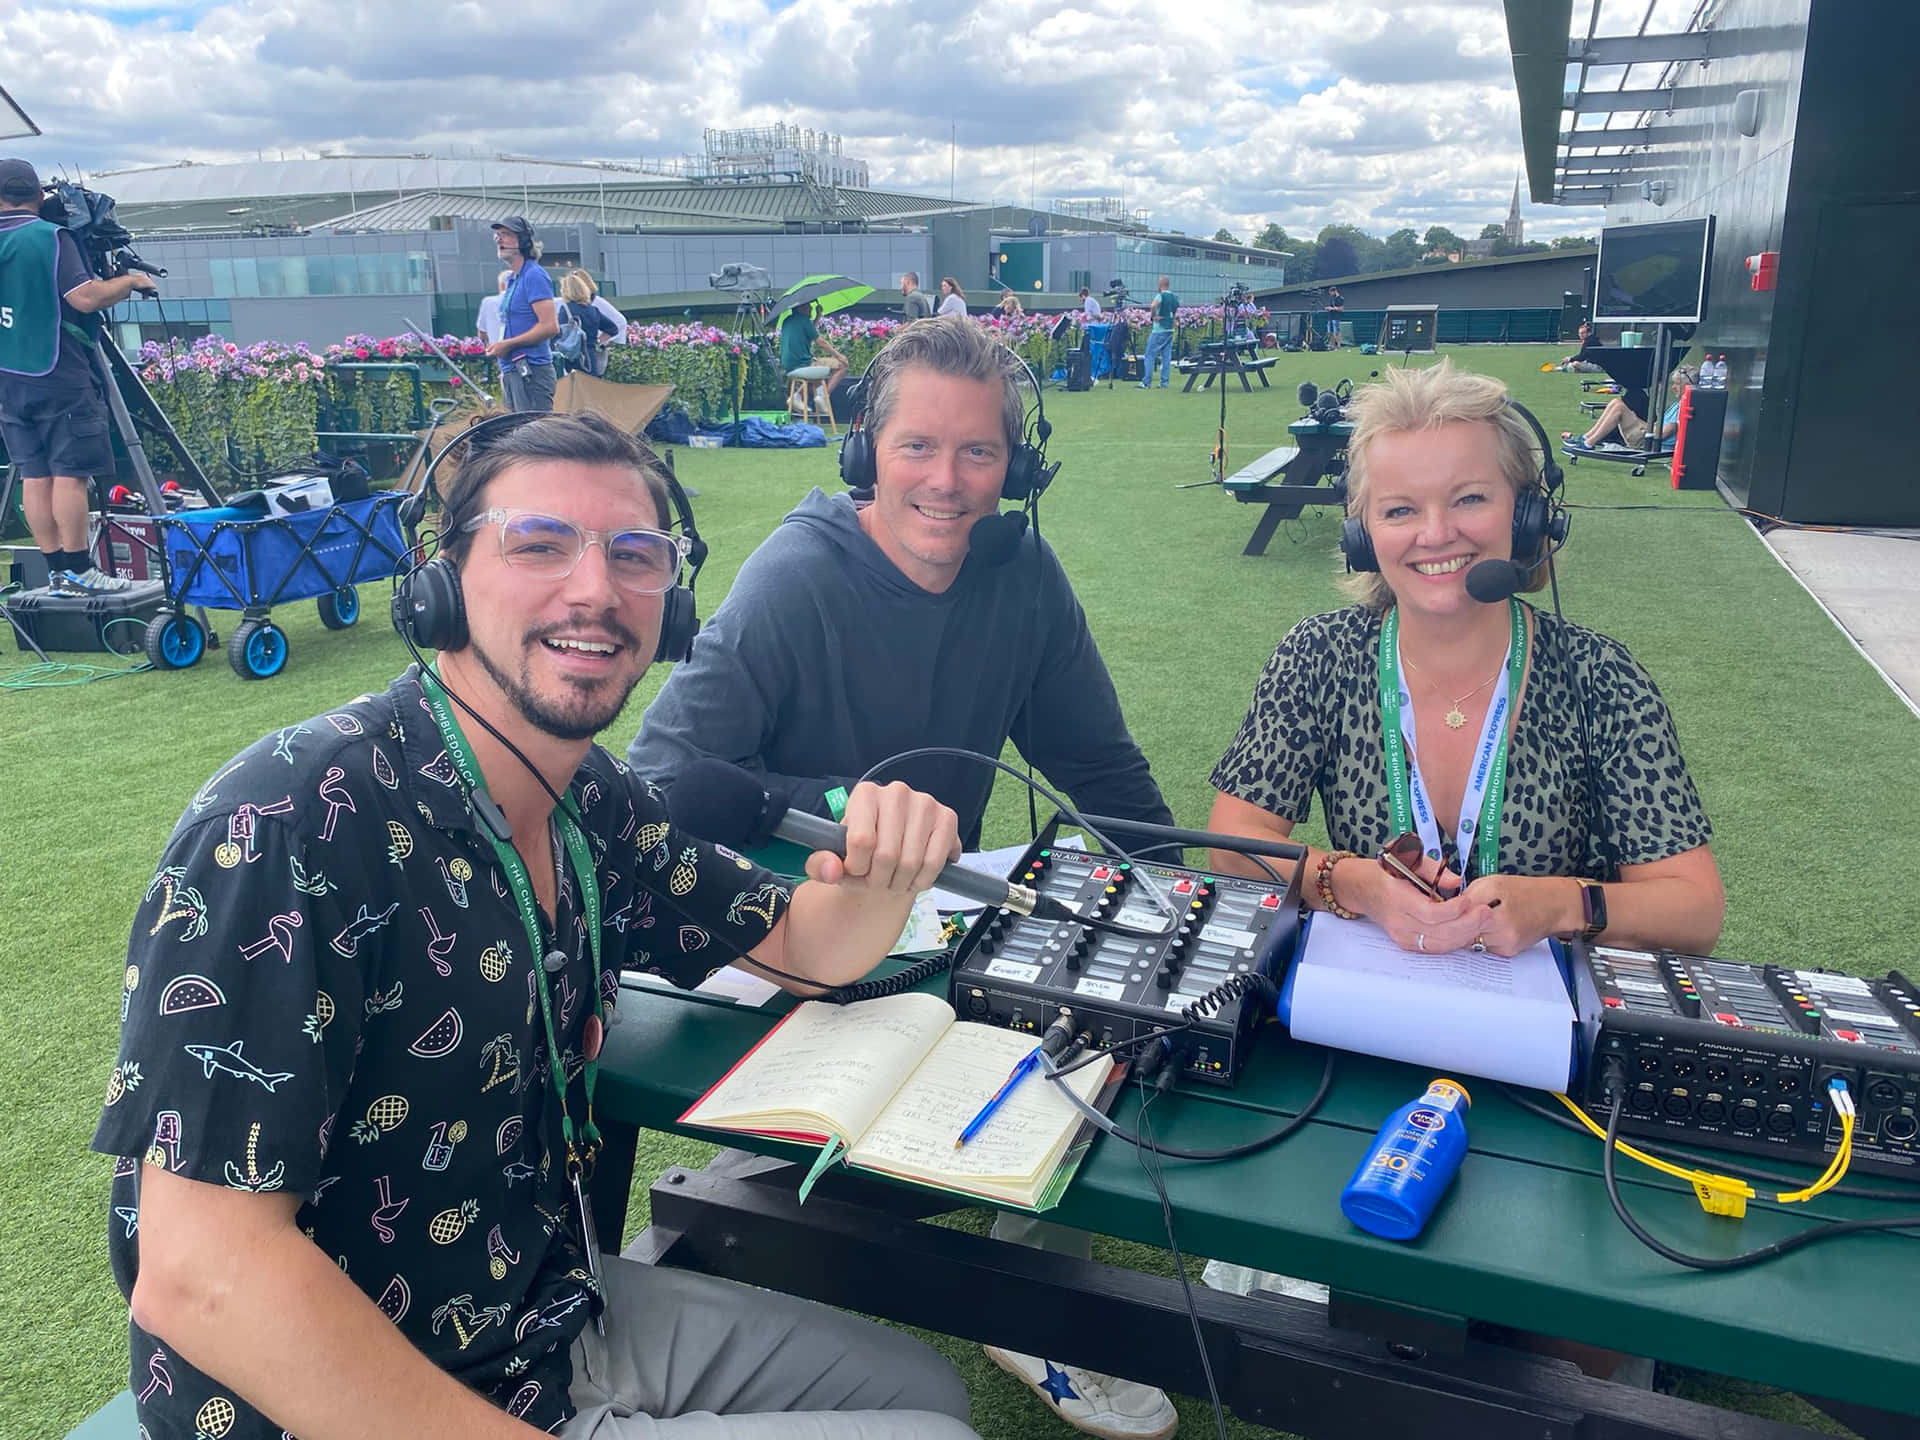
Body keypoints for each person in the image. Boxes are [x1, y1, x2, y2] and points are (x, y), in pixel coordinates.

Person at [94, 411, 980, 1440]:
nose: (596, 589)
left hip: (532, 1327)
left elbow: (803, 947)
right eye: (540, 544)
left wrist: (883, 871)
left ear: (675, 603)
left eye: (636, 555)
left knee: (923, 1394)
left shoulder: (590, 798)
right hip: (338, 1402)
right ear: (440, 582)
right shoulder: (288, 823)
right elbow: (201, 1277)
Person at [630, 315, 1179, 1440]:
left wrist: (1177, 902)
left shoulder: (1021, 572)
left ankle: (1032, 1308)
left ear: (1016, 468)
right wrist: (843, 812)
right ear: (864, 452)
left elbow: (1100, 766)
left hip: (940, 911)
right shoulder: (796, 573)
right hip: (791, 918)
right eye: (918, 447)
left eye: (980, 452)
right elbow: (663, 780)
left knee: (1091, 993)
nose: (948, 479)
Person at [1207, 359, 1724, 961]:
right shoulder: (1316, 657)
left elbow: (1695, 908)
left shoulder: (1600, 676)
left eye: (1469, 498)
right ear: (1363, 535)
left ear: (1529, 516)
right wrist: (1353, 884)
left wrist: (1562, 904)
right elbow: (1231, 842)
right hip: (1378, 1013)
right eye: (1400, 510)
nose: (1435, 534)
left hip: (1552, 1025)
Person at [0, 158, 154, 596]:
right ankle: (79, 571)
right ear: (40, 196)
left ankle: (55, 574)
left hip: (8, 378)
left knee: (34, 473)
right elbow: (85, 298)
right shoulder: (50, 237)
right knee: (69, 473)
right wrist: (128, 282)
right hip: (57, 372)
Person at [486, 216, 559, 412]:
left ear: (524, 242)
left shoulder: (534, 275)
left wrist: (508, 344)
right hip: (513, 371)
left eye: (507, 235)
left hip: (531, 371)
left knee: (534, 438)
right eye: (498, 235)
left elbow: (550, 326)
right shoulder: (512, 279)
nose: (499, 240)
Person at [1565, 366, 1689, 452]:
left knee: (1619, 408)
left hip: (1647, 441)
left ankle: (1588, 443)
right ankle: (1586, 438)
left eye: (1677, 384)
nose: (1673, 388)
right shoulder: (1677, 405)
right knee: (1616, 402)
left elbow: (1661, 433)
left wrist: (1637, 420)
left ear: (1687, 386)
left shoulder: (1682, 410)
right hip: (1647, 434)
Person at [777, 301, 847, 416]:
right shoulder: (804, 320)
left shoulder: (788, 321)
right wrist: (839, 355)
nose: (810, 308)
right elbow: (820, 341)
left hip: (789, 366)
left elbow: (809, 332)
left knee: (817, 376)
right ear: (800, 308)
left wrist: (818, 316)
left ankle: (800, 397)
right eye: (807, 306)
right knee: (842, 366)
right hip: (804, 364)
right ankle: (823, 397)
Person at [557, 269, 618, 378]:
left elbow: (557, 333)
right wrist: (599, 341)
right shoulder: (593, 310)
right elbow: (613, 328)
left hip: (572, 359)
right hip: (591, 358)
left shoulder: (565, 309)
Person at [1137, 276, 1178, 390]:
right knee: (1166, 357)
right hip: (1170, 329)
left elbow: (1153, 305)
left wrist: (1154, 315)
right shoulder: (1174, 297)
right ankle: (1164, 383)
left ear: (1160, 285)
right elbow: (1175, 311)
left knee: (1149, 355)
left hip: (1159, 329)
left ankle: (1146, 382)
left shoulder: (1160, 295)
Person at [476, 269, 510, 350]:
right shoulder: (527, 301)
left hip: (495, 352)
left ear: (501, 285)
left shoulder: (487, 302)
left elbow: (482, 333)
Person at [1325, 285, 1345, 349]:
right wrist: (1328, 308)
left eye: (1331, 292)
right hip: (1330, 317)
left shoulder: (1340, 298)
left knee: (1336, 332)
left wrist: (1332, 308)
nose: (1330, 294)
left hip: (1336, 318)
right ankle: (1332, 345)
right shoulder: (1331, 298)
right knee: (1330, 332)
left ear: (1334, 291)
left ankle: (1338, 345)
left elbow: (1341, 309)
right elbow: (1332, 307)